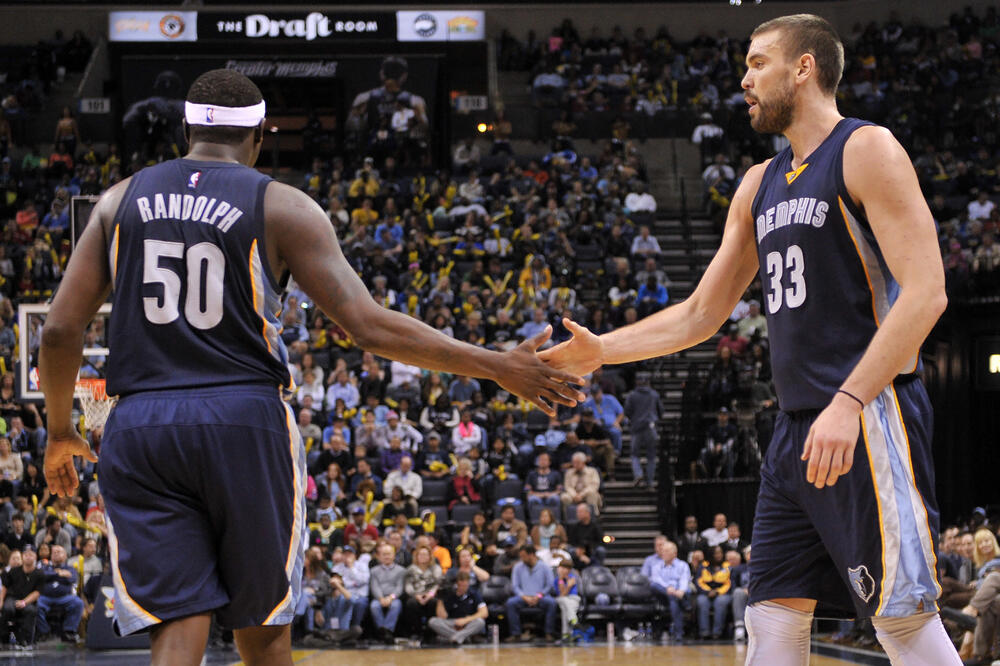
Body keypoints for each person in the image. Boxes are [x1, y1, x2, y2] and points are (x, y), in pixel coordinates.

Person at [39, 68, 584, 666]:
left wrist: (62, 430)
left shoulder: (118, 200)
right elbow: (369, 327)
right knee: (264, 620)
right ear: (260, 136)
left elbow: (62, 330)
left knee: (177, 619)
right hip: (241, 417)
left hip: (140, 424)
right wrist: (496, 365)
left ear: (188, 128)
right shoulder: (282, 205)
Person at [539, 14, 957, 665]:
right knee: (771, 621)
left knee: (903, 624)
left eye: (758, 62)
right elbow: (701, 313)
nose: (744, 79)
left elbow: (927, 290)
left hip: (867, 416)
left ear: (804, 67)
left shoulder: (865, 149)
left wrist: (848, 402)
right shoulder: (758, 184)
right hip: (792, 433)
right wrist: (602, 351)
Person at [505, 545, 557, 642]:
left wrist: (538, 596)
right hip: (523, 597)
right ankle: (515, 634)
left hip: (540, 597)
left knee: (552, 603)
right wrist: (524, 596)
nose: (521, 559)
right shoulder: (517, 567)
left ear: (532, 555)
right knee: (510, 603)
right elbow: (515, 586)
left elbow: (549, 585)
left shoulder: (545, 567)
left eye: (523, 556)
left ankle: (549, 633)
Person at [643, 538, 691, 643]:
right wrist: (669, 588)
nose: (663, 553)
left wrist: (680, 591)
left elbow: (684, 580)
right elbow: (657, 580)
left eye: (667, 551)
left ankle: (678, 633)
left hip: (679, 594)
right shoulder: (657, 566)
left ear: (675, 553)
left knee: (675, 599)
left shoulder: (683, 565)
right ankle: (679, 633)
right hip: (663, 595)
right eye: (663, 551)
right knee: (654, 585)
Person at [36, 544, 85, 643]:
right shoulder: (44, 567)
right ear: (51, 555)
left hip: (65, 597)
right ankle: (45, 631)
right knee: (34, 605)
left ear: (65, 555)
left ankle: (69, 631)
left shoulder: (70, 568)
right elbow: (42, 576)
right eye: (54, 552)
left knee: (78, 603)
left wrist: (52, 576)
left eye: (59, 552)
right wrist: (59, 574)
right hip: (45, 597)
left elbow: (72, 578)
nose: (56, 554)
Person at [0, 547, 44, 650]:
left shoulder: (40, 573)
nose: (28, 557)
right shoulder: (13, 571)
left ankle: (25, 641)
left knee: (30, 610)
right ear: (22, 557)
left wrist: (24, 602)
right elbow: (5, 587)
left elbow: (37, 592)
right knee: (7, 608)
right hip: (12, 597)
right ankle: (4, 638)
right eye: (26, 555)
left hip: (28, 599)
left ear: (35, 557)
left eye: (31, 555)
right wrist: (1, 601)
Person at [428, 571, 487, 645]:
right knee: (433, 621)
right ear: (456, 584)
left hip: (468, 622)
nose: (462, 588)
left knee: (480, 622)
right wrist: (440, 600)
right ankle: (462, 637)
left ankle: (456, 637)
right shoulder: (449, 594)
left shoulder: (474, 593)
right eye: (460, 585)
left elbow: (484, 613)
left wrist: (466, 620)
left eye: (465, 586)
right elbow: (442, 616)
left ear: (468, 584)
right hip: (452, 622)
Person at [624, 373, 661, 488]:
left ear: (636, 382)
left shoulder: (632, 395)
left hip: (636, 427)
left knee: (635, 454)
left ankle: (638, 474)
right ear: (648, 382)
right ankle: (649, 482)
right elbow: (661, 411)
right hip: (651, 427)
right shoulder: (654, 395)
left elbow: (627, 411)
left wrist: (634, 419)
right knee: (651, 456)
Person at [369, 542, 406, 643]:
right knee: (374, 606)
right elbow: (374, 586)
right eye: (384, 554)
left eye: (389, 554)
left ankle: (386, 631)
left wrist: (390, 598)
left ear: (394, 555)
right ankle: (384, 632)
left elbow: (399, 588)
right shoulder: (374, 571)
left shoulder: (401, 570)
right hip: (379, 598)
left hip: (394, 598)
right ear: (379, 556)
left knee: (396, 605)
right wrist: (381, 598)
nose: (386, 556)